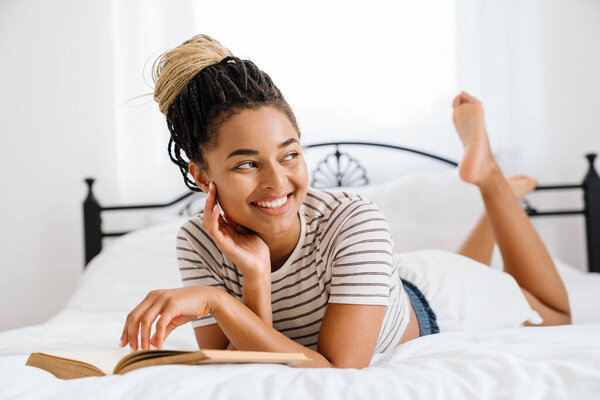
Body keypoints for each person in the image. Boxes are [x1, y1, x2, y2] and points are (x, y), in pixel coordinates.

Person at [119, 34, 571, 369]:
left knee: (555, 313)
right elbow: (241, 365)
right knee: (466, 264)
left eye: (290, 154)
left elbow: (339, 373)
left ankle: (489, 178)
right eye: (246, 165)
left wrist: (219, 303)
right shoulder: (199, 241)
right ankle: (496, 200)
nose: (278, 182)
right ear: (201, 176)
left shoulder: (353, 220)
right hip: (380, 287)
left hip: (438, 305)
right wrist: (254, 278)